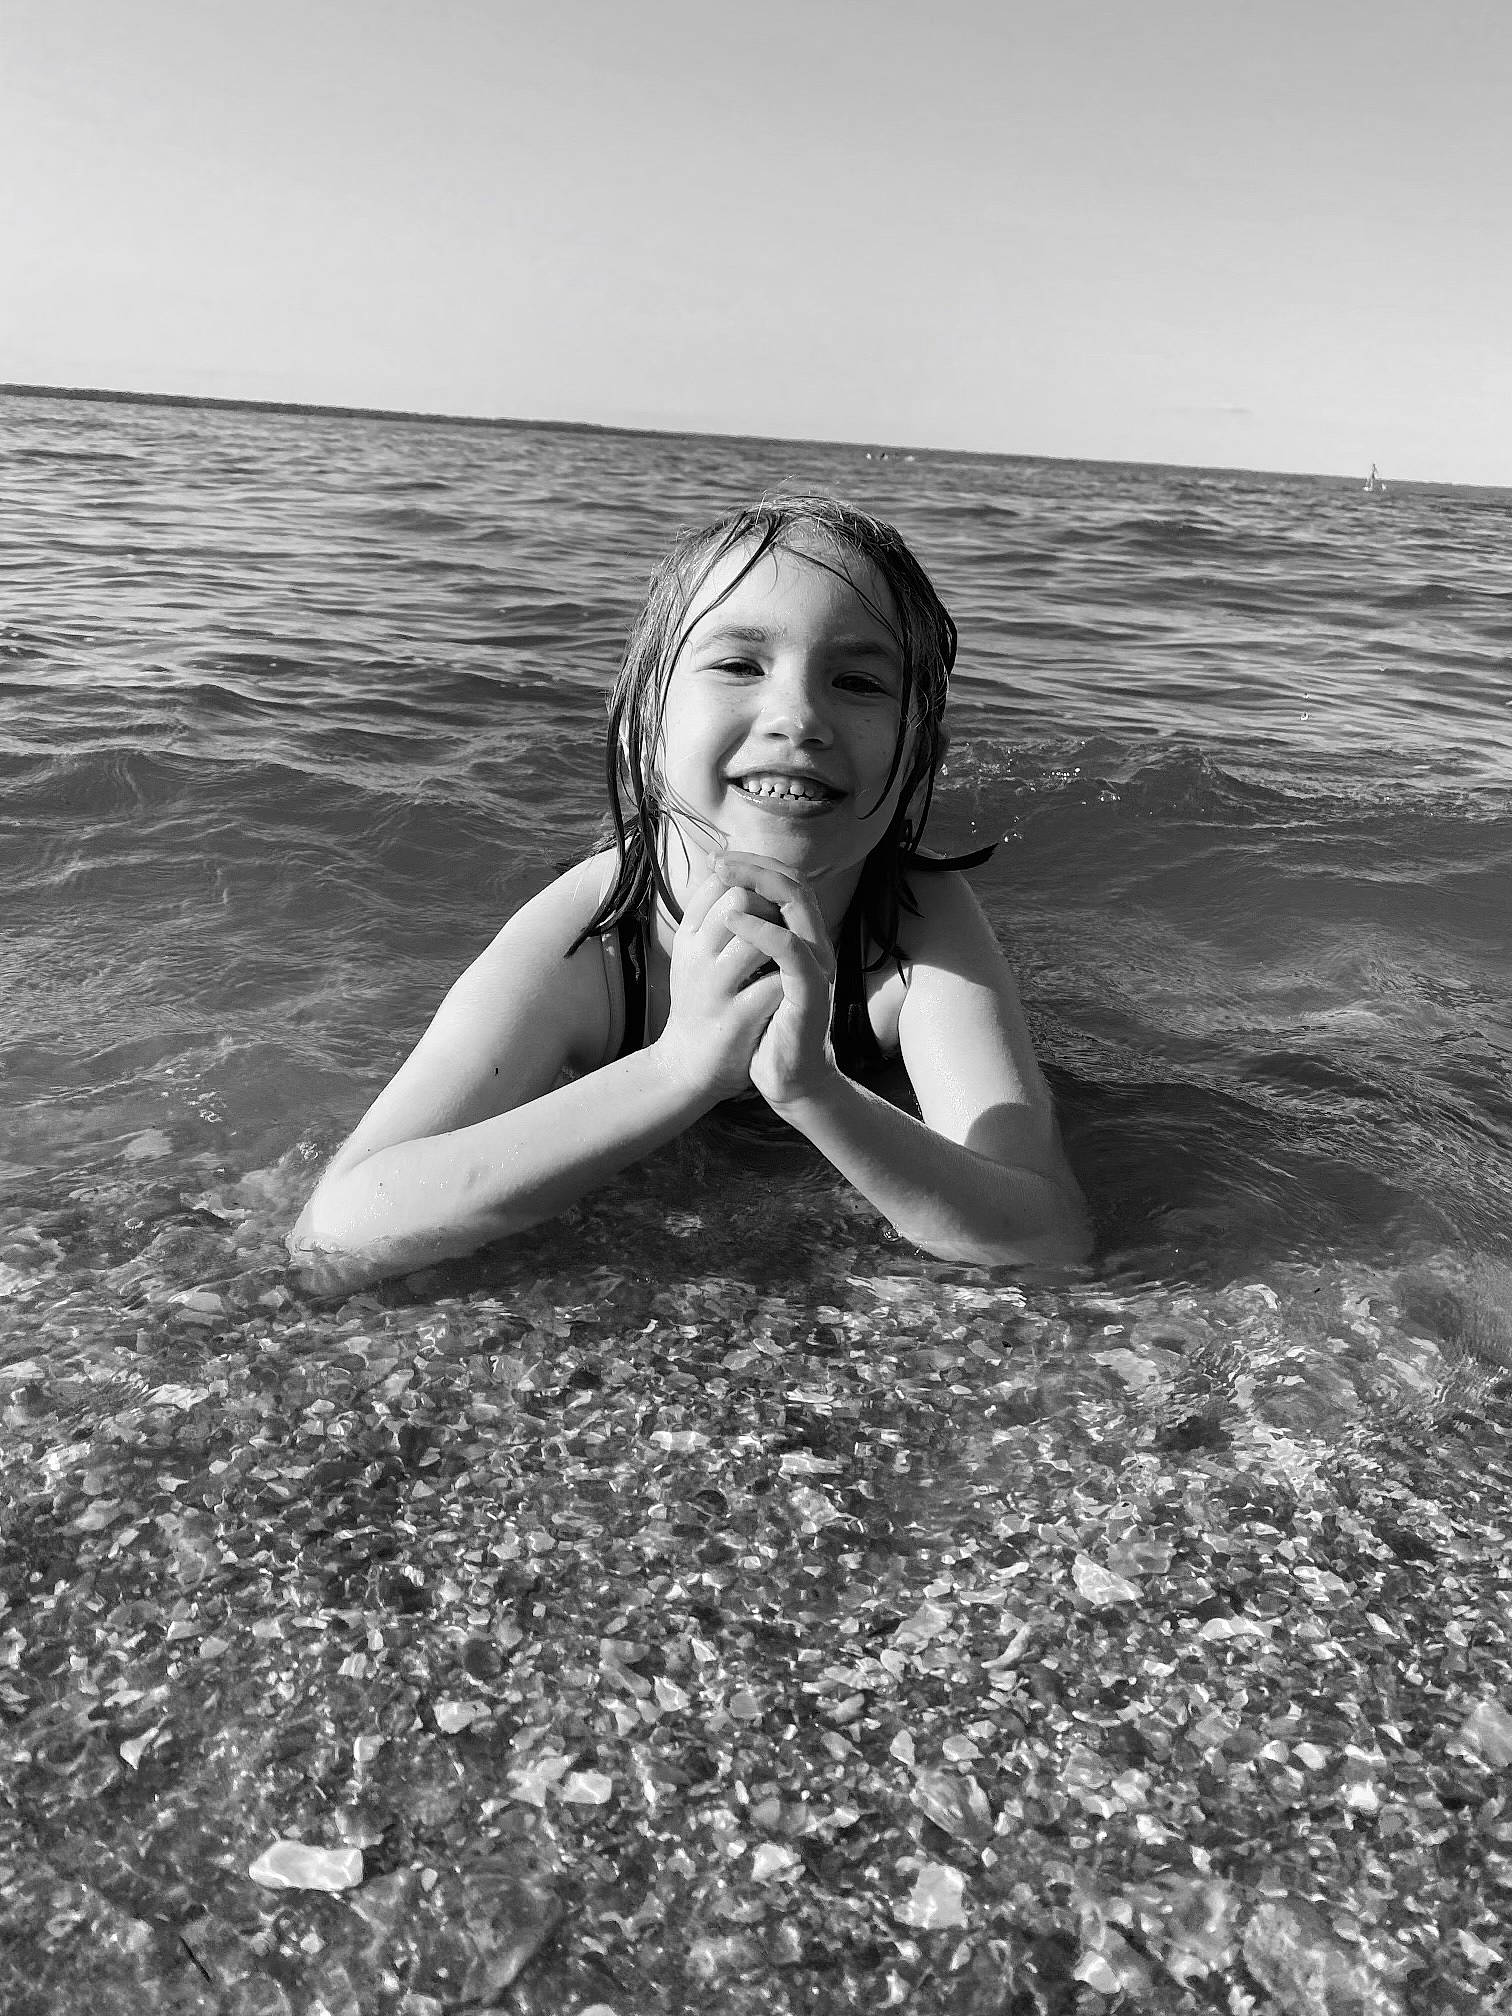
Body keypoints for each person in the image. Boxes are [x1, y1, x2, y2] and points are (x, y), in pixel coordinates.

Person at [290, 496, 1088, 1288]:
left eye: (858, 681)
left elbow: (1047, 1235)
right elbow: (338, 1235)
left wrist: (818, 1093)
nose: (799, 717)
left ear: (922, 759)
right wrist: (678, 1069)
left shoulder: (917, 926)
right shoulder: (592, 940)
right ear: (644, 728)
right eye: (740, 665)